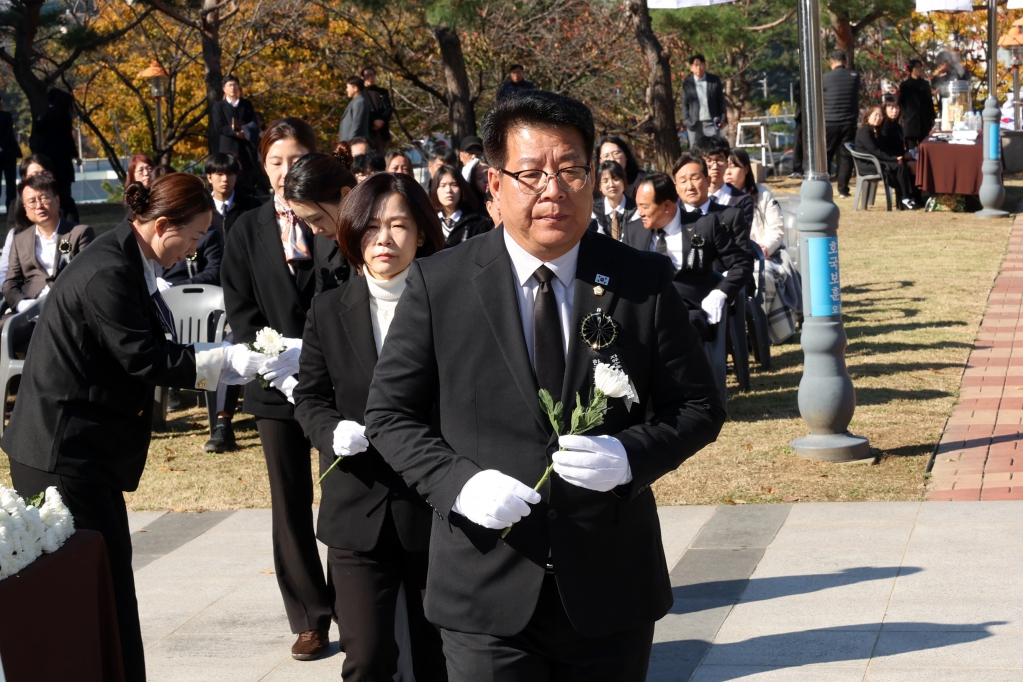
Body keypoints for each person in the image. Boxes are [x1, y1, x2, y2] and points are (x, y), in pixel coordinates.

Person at [364, 90, 726, 682]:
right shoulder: (440, 282)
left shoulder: (641, 279)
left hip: (609, 586)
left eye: (572, 170)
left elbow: (699, 406)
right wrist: (459, 485)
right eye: (531, 174)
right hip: (485, 585)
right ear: (494, 185)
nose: (553, 190)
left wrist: (629, 456)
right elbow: (389, 415)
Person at [2, 172, 265, 682]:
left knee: (107, 585)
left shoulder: (129, 257)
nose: (193, 250)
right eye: (192, 237)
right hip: (62, 454)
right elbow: (144, 358)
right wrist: (229, 360)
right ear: (163, 225)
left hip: (83, 450)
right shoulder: (111, 269)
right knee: (93, 589)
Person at [292, 172, 448, 682]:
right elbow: (310, 397)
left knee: (439, 658)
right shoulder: (327, 311)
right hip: (358, 510)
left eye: (400, 225)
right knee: (368, 658)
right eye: (372, 227)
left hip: (436, 508)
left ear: (421, 234)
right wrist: (330, 430)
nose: (385, 239)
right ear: (354, 234)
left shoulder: (452, 307)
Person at [221, 117, 338, 661]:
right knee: (289, 502)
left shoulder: (334, 221)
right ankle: (310, 616)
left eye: (295, 159)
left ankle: (355, 602)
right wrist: (278, 364)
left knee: (343, 492)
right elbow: (241, 311)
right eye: (275, 161)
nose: (286, 170)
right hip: (273, 387)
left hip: (336, 379)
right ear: (262, 166)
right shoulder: (245, 228)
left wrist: (313, 357)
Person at [627, 170, 752, 341]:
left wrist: (720, 293)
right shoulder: (634, 230)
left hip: (691, 310)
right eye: (638, 205)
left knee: (677, 327)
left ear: (666, 206)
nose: (639, 212)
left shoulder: (704, 225)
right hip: (647, 309)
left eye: (645, 206)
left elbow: (742, 263)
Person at [724, 149, 801, 344]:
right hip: (728, 259)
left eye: (734, 166)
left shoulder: (762, 193)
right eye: (726, 166)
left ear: (747, 170)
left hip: (763, 255)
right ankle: (737, 334)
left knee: (764, 275)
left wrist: (763, 248)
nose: (728, 172)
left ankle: (755, 333)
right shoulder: (717, 197)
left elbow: (776, 229)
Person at [3, 173, 94, 318]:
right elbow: (10, 283)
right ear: (25, 210)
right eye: (32, 201)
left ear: (57, 201)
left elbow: (87, 278)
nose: (39, 205)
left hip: (68, 311)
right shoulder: (19, 240)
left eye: (44, 198)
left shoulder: (80, 233)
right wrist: (24, 305)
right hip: (29, 310)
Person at [283, 144, 359, 293]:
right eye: (305, 221)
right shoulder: (323, 243)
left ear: (345, 194)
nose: (315, 230)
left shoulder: (384, 238)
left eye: (317, 218)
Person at [855, 104, 917, 210]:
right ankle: (905, 199)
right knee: (900, 167)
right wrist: (893, 159)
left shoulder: (875, 131)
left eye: (881, 116)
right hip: (868, 164)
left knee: (904, 166)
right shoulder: (865, 131)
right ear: (868, 116)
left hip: (876, 162)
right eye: (876, 115)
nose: (878, 118)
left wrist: (899, 156)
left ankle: (905, 199)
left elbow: (882, 149)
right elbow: (875, 151)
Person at [29, 88, 78, 213]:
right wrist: (75, 154)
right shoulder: (63, 116)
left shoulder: (45, 115)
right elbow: (67, 138)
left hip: (48, 159)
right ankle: (66, 211)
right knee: (64, 191)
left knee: (49, 188)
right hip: (63, 160)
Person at [693, 136, 755, 230]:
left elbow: (741, 240)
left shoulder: (742, 201)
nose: (714, 166)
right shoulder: (686, 199)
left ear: (727, 163)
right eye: (708, 160)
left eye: (719, 159)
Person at [210, 75, 259, 191]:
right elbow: (219, 126)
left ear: (238, 87)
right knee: (228, 171)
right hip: (228, 145)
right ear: (224, 88)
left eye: (235, 85)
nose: (232, 88)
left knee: (246, 176)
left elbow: (253, 123)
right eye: (229, 85)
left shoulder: (246, 104)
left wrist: (244, 132)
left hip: (245, 146)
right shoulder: (219, 106)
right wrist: (235, 133)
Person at [6, 153, 78, 232]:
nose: (40, 178)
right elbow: (14, 236)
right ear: (24, 178)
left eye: (45, 173)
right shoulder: (16, 205)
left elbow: (73, 232)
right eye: (34, 175)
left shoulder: (66, 201)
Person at [823, 49, 861, 199]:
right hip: (848, 122)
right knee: (845, 156)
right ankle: (843, 190)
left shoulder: (824, 78)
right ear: (845, 61)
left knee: (826, 155)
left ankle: (823, 186)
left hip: (829, 121)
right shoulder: (854, 76)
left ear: (831, 62)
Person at [429, 164, 492, 247]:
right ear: (435, 189)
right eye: (443, 185)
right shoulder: (429, 222)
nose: (448, 190)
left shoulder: (477, 223)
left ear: (461, 188)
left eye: (454, 185)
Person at [205, 152, 262, 238]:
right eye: (220, 174)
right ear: (209, 178)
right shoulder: (201, 209)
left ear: (236, 176)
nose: (225, 179)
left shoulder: (253, 207)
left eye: (230, 174)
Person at [681, 54, 728, 146]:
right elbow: (685, 104)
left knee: (714, 149)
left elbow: (720, 101)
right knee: (696, 151)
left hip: (712, 122)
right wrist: (687, 121)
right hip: (694, 124)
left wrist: (723, 118)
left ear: (705, 65)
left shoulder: (714, 80)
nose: (699, 67)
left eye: (701, 64)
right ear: (691, 68)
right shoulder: (687, 83)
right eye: (696, 65)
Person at [589, 160, 640, 241]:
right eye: (605, 181)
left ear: (624, 182)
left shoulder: (636, 208)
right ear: (599, 186)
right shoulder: (592, 209)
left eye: (616, 179)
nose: (611, 184)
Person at [898, 60, 935, 149]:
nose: (919, 69)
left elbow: (929, 101)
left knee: (925, 146)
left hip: (924, 120)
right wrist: (904, 115)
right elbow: (901, 102)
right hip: (911, 120)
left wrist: (932, 117)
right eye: (917, 67)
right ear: (911, 69)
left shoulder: (925, 84)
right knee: (911, 148)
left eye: (920, 67)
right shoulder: (905, 85)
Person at [362, 67, 393, 155]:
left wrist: (382, 120)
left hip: (382, 132)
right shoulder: (360, 94)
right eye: (367, 75)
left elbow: (389, 108)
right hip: (367, 132)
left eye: (372, 75)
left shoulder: (382, 92)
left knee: (382, 156)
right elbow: (362, 112)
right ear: (362, 77)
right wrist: (372, 122)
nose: (370, 78)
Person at [0, 99, 22, 211]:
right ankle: (11, 207)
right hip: (8, 152)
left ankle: (12, 208)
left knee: (11, 183)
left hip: (8, 153)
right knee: (10, 183)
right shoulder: (6, 115)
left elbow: (8, 133)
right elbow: (8, 134)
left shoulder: (6, 116)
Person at [340, 77, 371, 143]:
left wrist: (350, 142)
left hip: (355, 143)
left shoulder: (359, 102)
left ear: (355, 88)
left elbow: (356, 123)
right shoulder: (356, 101)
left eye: (348, 87)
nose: (346, 90)